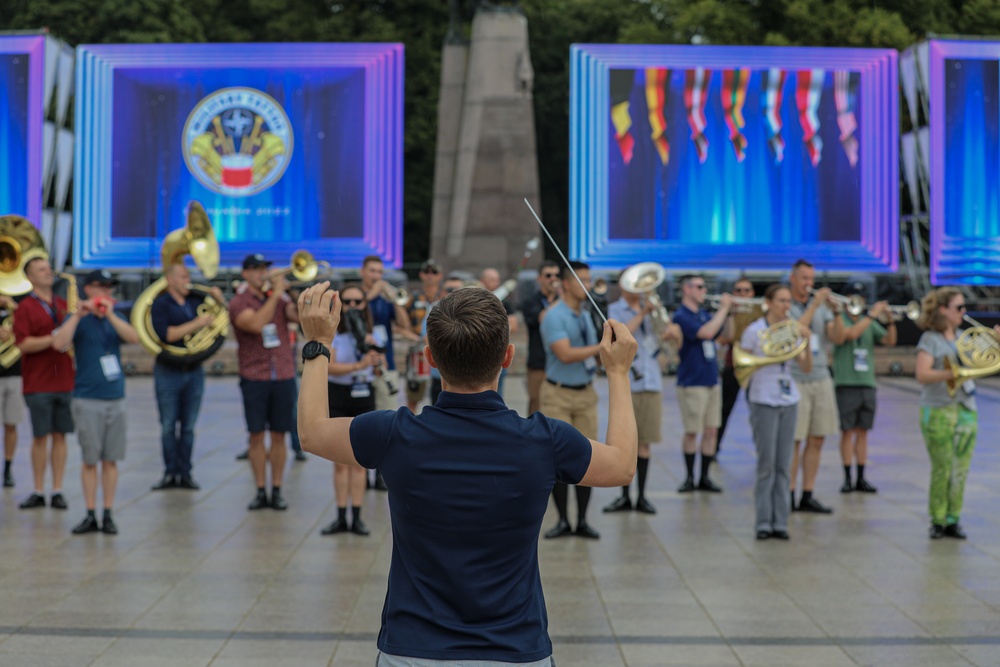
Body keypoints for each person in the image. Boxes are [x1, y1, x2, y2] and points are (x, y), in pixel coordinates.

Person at [297, 282, 638, 665]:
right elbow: (624, 465)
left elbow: (311, 432)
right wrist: (618, 372)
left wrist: (318, 344)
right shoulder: (545, 441)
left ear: (430, 358)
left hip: (412, 652)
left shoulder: (394, 434)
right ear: (508, 357)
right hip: (516, 651)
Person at [914, 288, 993, 540]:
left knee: (961, 468)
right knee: (942, 467)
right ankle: (937, 519)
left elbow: (986, 363)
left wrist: (996, 342)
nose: (963, 312)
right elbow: (922, 375)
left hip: (966, 408)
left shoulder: (963, 337)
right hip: (938, 409)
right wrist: (953, 374)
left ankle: (953, 519)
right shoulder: (930, 339)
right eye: (958, 308)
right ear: (942, 310)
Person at [69, 270, 139, 535]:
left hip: (115, 397)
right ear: (89, 289)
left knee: (111, 459)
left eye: (110, 288)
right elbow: (60, 342)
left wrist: (109, 313)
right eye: (103, 287)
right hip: (87, 398)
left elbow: (133, 338)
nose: (108, 292)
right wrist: (77, 315)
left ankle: (108, 513)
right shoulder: (78, 319)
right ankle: (89, 513)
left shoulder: (115, 317)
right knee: (90, 459)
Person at [603, 274, 679, 514]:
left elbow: (669, 341)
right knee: (624, 442)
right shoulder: (615, 310)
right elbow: (623, 339)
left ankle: (642, 496)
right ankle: (624, 496)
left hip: (652, 380)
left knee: (645, 442)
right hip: (628, 383)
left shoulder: (655, 308)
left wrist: (671, 332)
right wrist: (643, 314)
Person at [741, 285, 812, 540]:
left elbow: (805, 367)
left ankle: (781, 521)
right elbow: (743, 364)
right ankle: (762, 521)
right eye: (781, 300)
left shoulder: (792, 330)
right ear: (768, 302)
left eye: (788, 301)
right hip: (763, 398)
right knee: (766, 464)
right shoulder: (754, 331)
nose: (786, 306)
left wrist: (807, 340)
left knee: (784, 465)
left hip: (788, 399)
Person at [229, 253, 300, 511]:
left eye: (265, 269)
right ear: (245, 273)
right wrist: (277, 294)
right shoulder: (239, 302)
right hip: (255, 376)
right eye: (257, 269)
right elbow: (257, 323)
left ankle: (278, 489)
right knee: (256, 435)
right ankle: (260, 489)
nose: (263, 273)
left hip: (282, 373)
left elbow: (299, 317)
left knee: (280, 434)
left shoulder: (279, 300)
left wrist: (289, 294)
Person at [539, 261, 602, 539]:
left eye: (589, 280)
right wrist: (602, 347)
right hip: (559, 393)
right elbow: (564, 353)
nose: (587, 286)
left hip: (585, 391)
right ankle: (563, 520)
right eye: (582, 281)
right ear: (566, 284)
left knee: (587, 457)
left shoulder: (585, 314)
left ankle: (583, 520)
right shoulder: (554, 315)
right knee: (558, 458)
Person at [149, 263, 225, 491]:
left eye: (188, 275)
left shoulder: (196, 301)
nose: (188, 280)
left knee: (189, 428)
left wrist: (219, 302)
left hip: (193, 371)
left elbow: (220, 322)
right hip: (168, 371)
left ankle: (186, 472)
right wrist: (197, 323)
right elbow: (167, 335)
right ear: (170, 279)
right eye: (182, 276)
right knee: (168, 426)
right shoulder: (160, 304)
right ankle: (169, 472)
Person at [14, 258, 79, 510]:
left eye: (48, 267)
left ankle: (58, 489)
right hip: (38, 382)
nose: (48, 272)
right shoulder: (25, 307)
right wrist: (52, 338)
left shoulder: (64, 305)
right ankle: (39, 489)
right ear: (30, 277)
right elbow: (23, 343)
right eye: (41, 269)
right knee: (40, 436)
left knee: (60, 435)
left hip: (63, 379)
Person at [320, 284, 382, 536]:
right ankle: (340, 515)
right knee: (339, 462)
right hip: (340, 394)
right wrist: (359, 365)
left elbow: (378, 368)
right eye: (348, 302)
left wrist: (375, 360)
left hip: (364, 395)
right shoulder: (334, 333)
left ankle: (356, 516)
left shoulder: (371, 333)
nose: (354, 307)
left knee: (359, 462)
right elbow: (330, 367)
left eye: (359, 302)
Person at [787, 259, 843, 513]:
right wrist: (816, 303)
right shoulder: (786, 304)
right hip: (796, 377)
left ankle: (807, 493)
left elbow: (837, 338)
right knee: (794, 441)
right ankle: (788, 492)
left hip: (821, 377)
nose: (808, 283)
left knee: (817, 437)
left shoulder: (820, 308)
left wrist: (838, 312)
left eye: (811, 279)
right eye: (804, 279)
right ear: (793, 278)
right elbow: (799, 329)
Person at [830, 285, 896, 494]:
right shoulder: (840, 321)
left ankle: (861, 477)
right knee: (847, 432)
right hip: (846, 383)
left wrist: (890, 320)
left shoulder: (869, 323)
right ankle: (847, 477)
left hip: (867, 383)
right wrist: (872, 315)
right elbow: (848, 335)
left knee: (863, 432)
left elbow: (889, 340)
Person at [673, 275, 730, 493]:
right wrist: (723, 310)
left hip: (711, 380)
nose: (703, 290)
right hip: (692, 382)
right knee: (692, 431)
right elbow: (705, 333)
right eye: (699, 286)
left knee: (711, 431)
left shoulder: (704, 314)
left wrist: (729, 314)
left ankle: (705, 477)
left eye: (704, 286)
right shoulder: (681, 316)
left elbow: (725, 335)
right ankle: (689, 477)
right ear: (686, 289)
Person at [360, 254, 415, 411]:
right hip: (360, 365)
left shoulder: (385, 298)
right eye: (372, 271)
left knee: (388, 414)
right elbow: (354, 312)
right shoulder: (355, 295)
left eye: (379, 272)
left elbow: (404, 324)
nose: (377, 276)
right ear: (362, 272)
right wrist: (371, 294)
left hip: (387, 363)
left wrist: (394, 300)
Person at [716, 277, 757, 452]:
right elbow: (725, 338)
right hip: (732, 365)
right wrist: (729, 314)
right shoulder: (726, 313)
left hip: (753, 368)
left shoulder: (759, 312)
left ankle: (761, 448)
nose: (742, 294)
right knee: (724, 409)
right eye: (739, 291)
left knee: (757, 411)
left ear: (752, 293)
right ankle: (714, 449)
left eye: (746, 291)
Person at [404, 259, 444, 412]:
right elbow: (401, 325)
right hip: (418, 351)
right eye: (426, 272)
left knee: (439, 397)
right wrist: (414, 337)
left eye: (434, 272)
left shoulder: (445, 297)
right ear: (421, 275)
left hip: (438, 352)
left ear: (440, 275)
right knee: (413, 397)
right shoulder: (413, 298)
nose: (430, 276)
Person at [521, 260, 560, 416]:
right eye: (548, 275)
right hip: (538, 363)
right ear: (540, 279)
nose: (553, 279)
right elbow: (541, 318)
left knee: (558, 407)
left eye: (556, 275)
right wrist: (560, 300)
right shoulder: (531, 301)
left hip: (559, 362)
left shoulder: (563, 302)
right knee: (536, 404)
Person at [480, 267, 520, 397]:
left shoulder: (504, 302)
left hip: (497, 354)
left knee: (497, 394)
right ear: (483, 281)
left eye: (497, 280)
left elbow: (513, 326)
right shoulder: (475, 300)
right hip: (477, 353)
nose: (496, 283)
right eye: (492, 280)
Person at [0, 294, 24, 488]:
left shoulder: (18, 300)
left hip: (14, 373)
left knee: (11, 423)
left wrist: (14, 307)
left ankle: (8, 468)